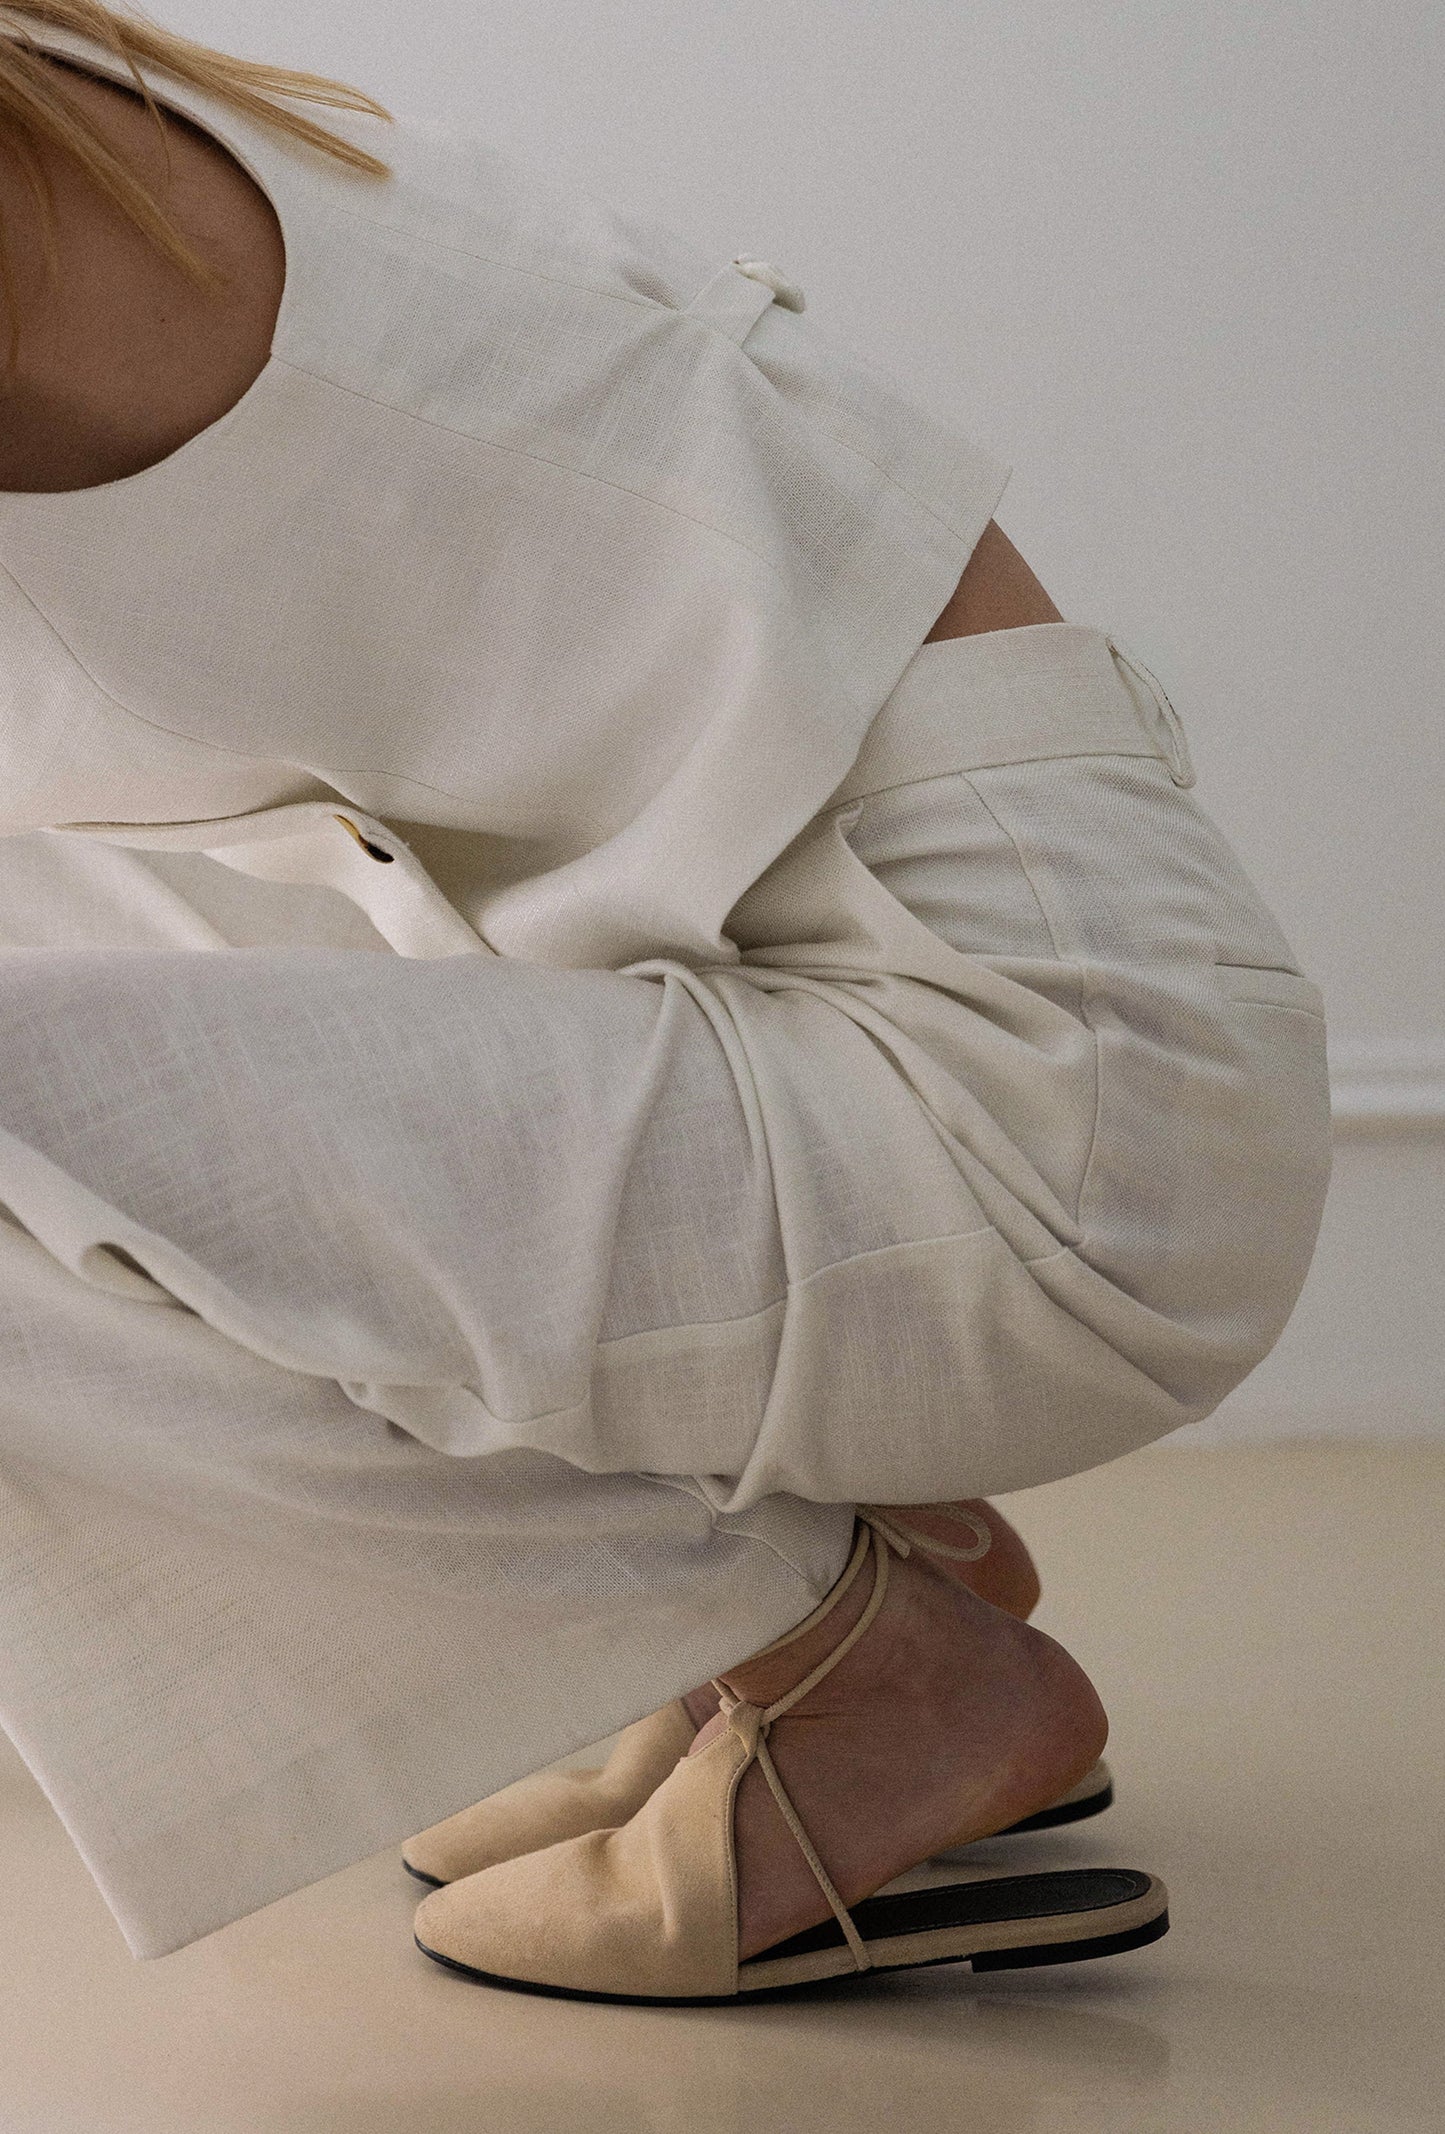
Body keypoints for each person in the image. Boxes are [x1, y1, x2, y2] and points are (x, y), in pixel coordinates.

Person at [0, 2, 1331, 2002]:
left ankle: (851, 1661)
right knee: (58, 872)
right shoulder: (72, 116)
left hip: (1030, 1121)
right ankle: (779, 1572)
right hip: (971, 1023)